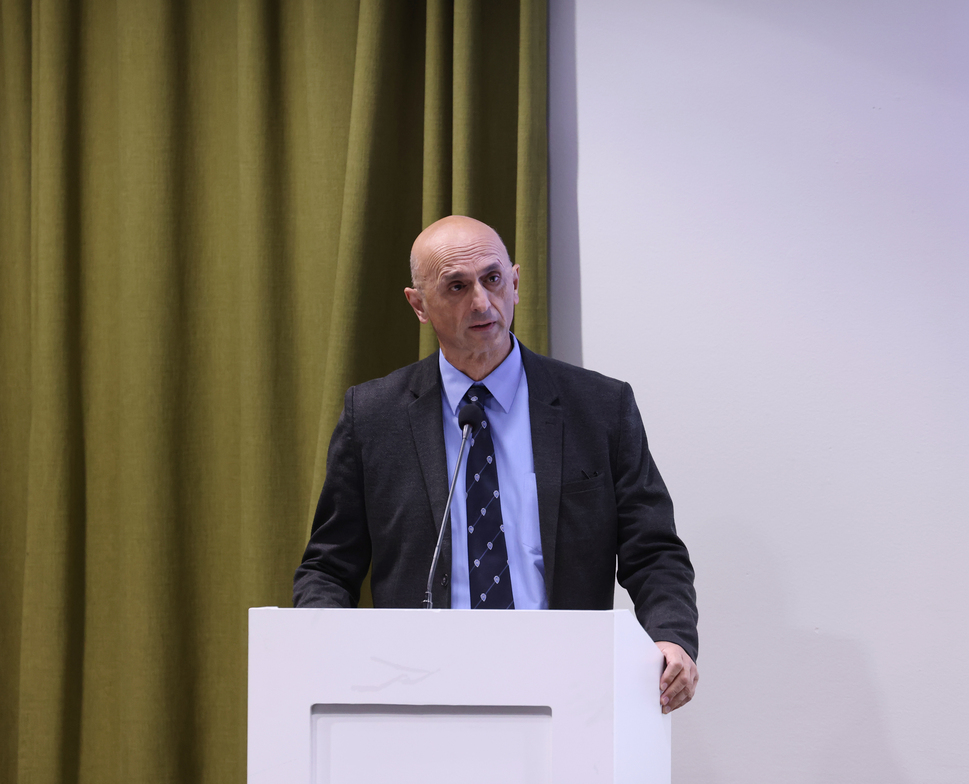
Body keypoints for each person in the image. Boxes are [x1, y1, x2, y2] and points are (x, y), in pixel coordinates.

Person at [293, 216, 699, 713]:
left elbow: (653, 549)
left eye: (492, 279)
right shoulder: (375, 417)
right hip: (419, 693)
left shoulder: (599, 407)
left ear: (516, 282)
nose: (482, 302)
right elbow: (329, 567)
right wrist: (324, 652)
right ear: (419, 305)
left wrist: (670, 636)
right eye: (457, 286)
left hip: (568, 687)